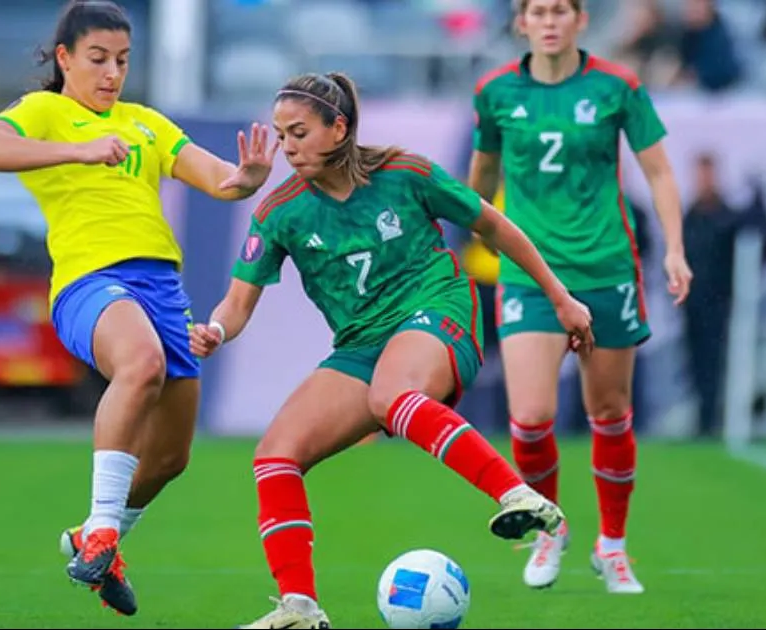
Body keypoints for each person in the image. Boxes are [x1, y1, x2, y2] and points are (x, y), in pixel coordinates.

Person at [189, 71, 593, 629]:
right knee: (275, 455)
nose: (287, 147)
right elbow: (236, 303)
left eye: (299, 132)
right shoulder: (279, 210)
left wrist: (561, 297)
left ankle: (520, 496)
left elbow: (496, 228)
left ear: (340, 128)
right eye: (281, 135)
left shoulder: (406, 174)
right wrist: (214, 329)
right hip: (361, 343)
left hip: (439, 309)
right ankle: (300, 609)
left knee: (391, 395)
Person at [0, 0, 276, 616]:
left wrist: (249, 176)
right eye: (98, 59)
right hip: (90, 282)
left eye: (123, 61)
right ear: (64, 58)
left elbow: (220, 180)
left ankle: (96, 538)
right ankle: (103, 530)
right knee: (140, 365)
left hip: (161, 287)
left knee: (171, 458)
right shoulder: (46, 112)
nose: (112, 73)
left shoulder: (144, 123)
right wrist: (75, 152)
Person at [468, 0, 692, 595]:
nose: (549, 20)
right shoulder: (494, 92)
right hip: (531, 276)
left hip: (606, 269)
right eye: (537, 10)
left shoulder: (618, 86)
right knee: (532, 416)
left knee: (610, 413)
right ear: (521, 22)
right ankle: (549, 529)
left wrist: (673, 248)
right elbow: (480, 181)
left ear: (580, 20)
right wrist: (467, 238)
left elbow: (661, 173)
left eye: (560, 10)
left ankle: (612, 546)